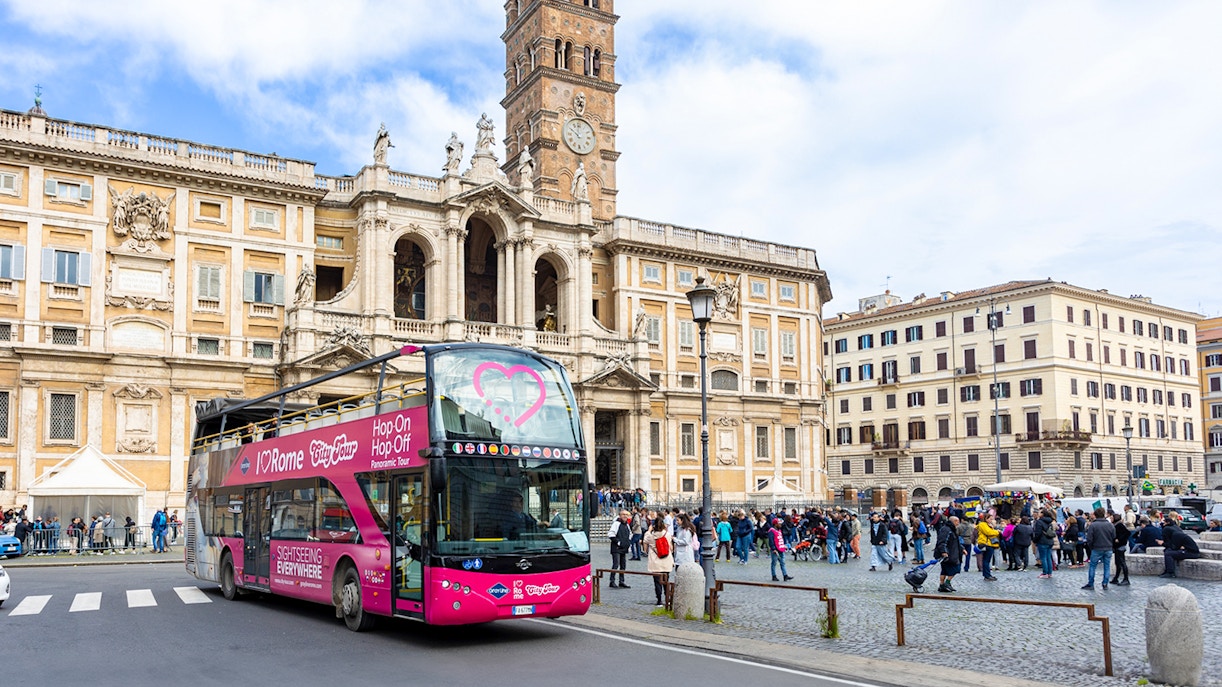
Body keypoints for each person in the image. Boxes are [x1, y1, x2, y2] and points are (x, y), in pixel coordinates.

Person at [1082, 507, 1116, 590]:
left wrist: (1091, 547)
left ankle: (1091, 583)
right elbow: (1113, 536)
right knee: (1107, 566)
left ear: (1095, 515)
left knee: (1093, 566)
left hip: (1097, 548)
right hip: (1108, 548)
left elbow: (1089, 538)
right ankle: (1105, 583)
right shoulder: (1110, 525)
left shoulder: (1093, 525)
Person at [642, 516, 672, 607]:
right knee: (666, 581)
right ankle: (668, 599)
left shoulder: (650, 536)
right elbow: (671, 547)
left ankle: (659, 600)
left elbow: (644, 541)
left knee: (657, 582)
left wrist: (649, 530)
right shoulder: (667, 534)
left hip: (655, 562)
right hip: (666, 560)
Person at [935, 515, 963, 593]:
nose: (958, 523)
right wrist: (944, 551)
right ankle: (946, 583)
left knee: (944, 570)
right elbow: (942, 541)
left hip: (951, 552)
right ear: (954, 521)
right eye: (957, 521)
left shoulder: (951, 529)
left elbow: (955, 541)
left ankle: (942, 585)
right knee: (955, 568)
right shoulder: (947, 530)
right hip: (949, 553)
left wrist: (962, 549)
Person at [606, 510, 632, 588]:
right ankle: (612, 581)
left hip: (624, 548)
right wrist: (618, 542)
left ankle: (621, 581)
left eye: (626, 515)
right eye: (623, 514)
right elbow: (611, 534)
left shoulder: (627, 525)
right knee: (616, 565)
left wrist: (628, 542)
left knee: (623, 565)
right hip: (616, 548)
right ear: (620, 515)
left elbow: (630, 534)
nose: (625, 516)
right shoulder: (616, 524)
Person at [976, 515, 1001, 581]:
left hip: (989, 544)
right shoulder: (983, 525)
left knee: (986, 560)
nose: (991, 520)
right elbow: (989, 532)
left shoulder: (987, 525)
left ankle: (987, 574)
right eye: (990, 519)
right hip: (986, 544)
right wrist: (997, 532)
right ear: (986, 519)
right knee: (986, 560)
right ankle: (987, 575)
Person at [1109, 512, 1131, 586]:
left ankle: (1126, 579)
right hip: (1118, 546)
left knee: (1122, 562)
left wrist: (1119, 539)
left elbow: (1127, 533)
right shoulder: (1116, 525)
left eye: (1112, 518)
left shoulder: (1119, 525)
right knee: (1118, 563)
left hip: (1120, 546)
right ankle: (1116, 578)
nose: (1111, 519)